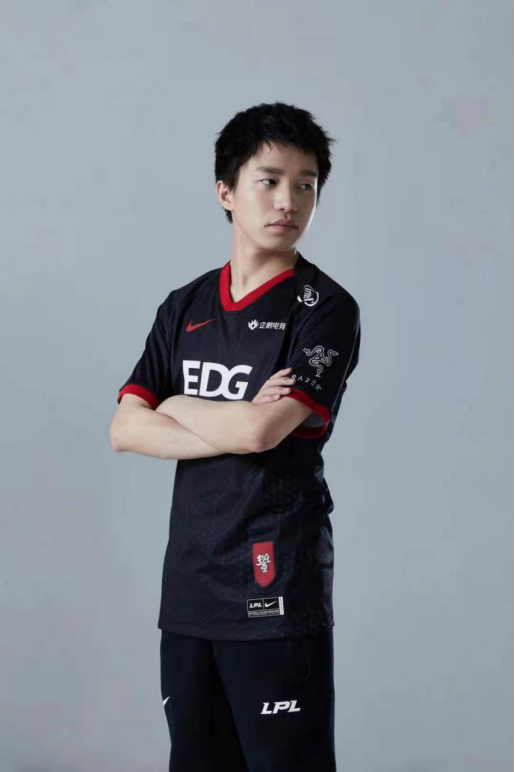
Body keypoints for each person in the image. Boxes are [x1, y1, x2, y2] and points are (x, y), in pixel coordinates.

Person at [110, 101, 361, 771]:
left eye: (306, 185)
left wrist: (174, 405)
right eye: (269, 180)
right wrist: (221, 416)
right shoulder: (184, 306)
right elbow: (125, 428)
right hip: (190, 588)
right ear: (225, 191)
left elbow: (260, 431)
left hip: (277, 585)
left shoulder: (325, 309)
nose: (289, 201)